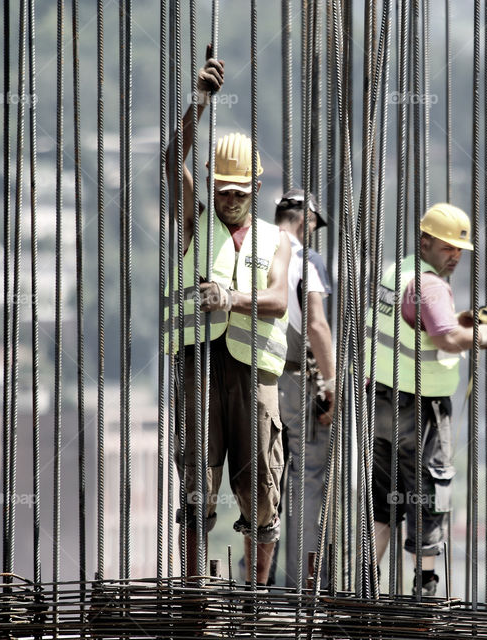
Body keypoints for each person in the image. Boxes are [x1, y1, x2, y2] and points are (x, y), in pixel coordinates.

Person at [164, 47, 290, 585]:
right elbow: (174, 161)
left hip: (253, 372)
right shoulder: (196, 221)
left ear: (257, 190)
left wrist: (231, 297)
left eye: (239, 193)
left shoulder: (276, 239)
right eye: (221, 190)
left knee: (260, 485)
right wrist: (198, 101)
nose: (228, 200)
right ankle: (195, 592)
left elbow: (280, 300)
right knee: (197, 481)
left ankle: (256, 594)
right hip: (199, 364)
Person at [366, 203, 487, 596]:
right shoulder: (431, 284)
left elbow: (414, 324)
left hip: (382, 401)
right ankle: (425, 591)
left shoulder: (396, 272)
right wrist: (482, 336)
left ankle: (365, 588)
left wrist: (455, 319)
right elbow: (444, 339)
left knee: (384, 497)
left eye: (459, 250)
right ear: (425, 242)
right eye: (446, 248)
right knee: (428, 494)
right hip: (421, 408)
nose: (455, 255)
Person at [274, 188, 336, 588]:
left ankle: (255, 583)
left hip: (251, 378)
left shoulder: (250, 249)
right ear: (307, 220)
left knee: (261, 482)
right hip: (294, 379)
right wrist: (331, 386)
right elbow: (316, 325)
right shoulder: (304, 258)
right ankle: (302, 588)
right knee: (307, 480)